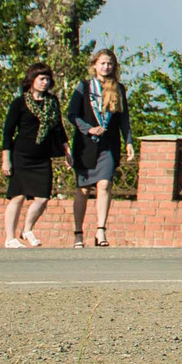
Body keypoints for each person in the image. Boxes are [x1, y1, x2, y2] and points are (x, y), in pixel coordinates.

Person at [67, 48, 131, 248]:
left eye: (110, 63)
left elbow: (124, 118)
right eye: (102, 63)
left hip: (108, 145)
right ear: (95, 65)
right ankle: (78, 232)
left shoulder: (118, 88)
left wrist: (128, 141)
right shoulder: (84, 87)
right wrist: (88, 129)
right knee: (83, 189)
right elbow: (72, 114)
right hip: (85, 145)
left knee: (104, 184)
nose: (106, 67)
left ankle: (100, 231)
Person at [1, 65, 62, 248]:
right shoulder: (20, 103)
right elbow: (8, 132)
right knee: (17, 197)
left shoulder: (52, 102)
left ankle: (27, 229)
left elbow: (58, 128)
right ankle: (10, 238)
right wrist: (6, 159)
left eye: (47, 79)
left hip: (42, 157)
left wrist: (66, 150)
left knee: (42, 197)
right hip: (21, 155)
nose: (45, 83)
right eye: (41, 79)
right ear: (32, 80)